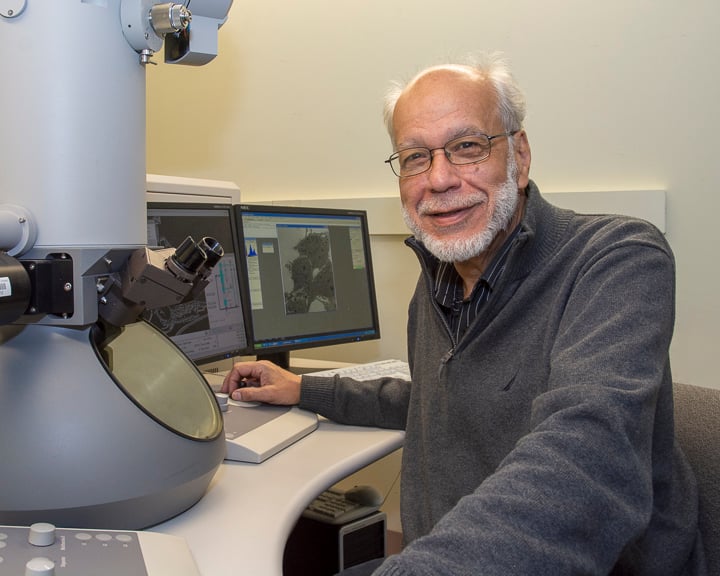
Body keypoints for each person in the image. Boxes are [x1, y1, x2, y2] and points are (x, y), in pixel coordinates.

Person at [223, 53, 706, 575]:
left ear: (519, 155)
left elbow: (587, 459)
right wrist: (305, 390)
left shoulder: (617, 258)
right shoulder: (439, 281)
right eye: (414, 157)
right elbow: (439, 399)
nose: (439, 179)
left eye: (467, 147)